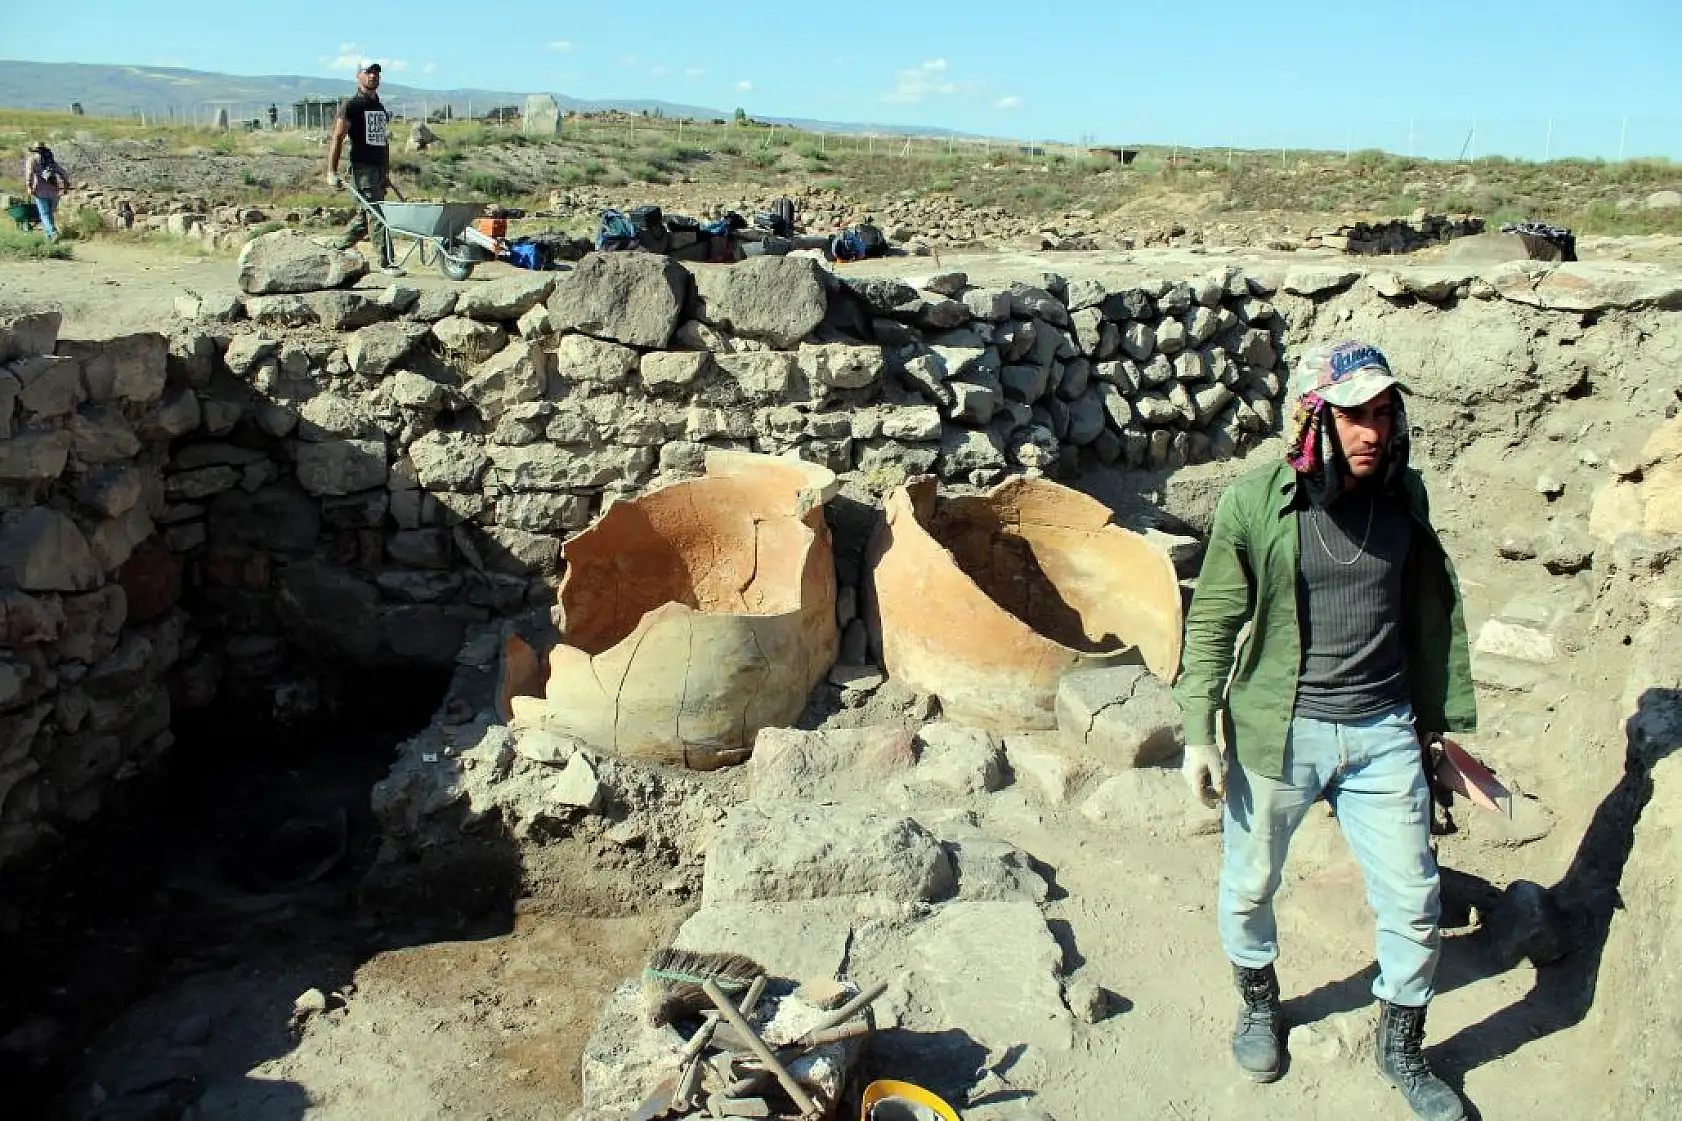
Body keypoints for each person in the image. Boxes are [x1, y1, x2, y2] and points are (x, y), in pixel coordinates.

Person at [1173, 340, 1477, 1121]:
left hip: (1383, 729)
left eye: (1383, 413)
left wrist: (1435, 735)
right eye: (1353, 415)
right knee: (1249, 883)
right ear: (1314, 419)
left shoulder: (1407, 495)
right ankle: (1259, 1002)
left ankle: (1402, 1042)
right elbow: (1213, 618)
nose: (1372, 431)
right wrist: (1198, 729)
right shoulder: (1254, 501)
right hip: (1283, 729)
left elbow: (1424, 620)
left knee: (1413, 898)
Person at [326, 60, 399, 274]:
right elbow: (338, 137)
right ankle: (387, 262)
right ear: (358, 76)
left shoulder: (379, 106)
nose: (373, 76)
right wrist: (331, 171)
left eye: (377, 72)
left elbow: (383, 141)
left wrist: (385, 171)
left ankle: (335, 248)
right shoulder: (352, 105)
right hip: (362, 168)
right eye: (368, 72)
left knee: (363, 216)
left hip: (377, 169)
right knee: (376, 214)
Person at [23, 142, 70, 242]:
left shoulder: (32, 159)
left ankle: (53, 232)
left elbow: (29, 173)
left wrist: (28, 186)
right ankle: (49, 239)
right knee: (49, 214)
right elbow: (63, 172)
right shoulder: (50, 160)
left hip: (39, 190)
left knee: (44, 214)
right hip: (54, 191)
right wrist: (66, 186)